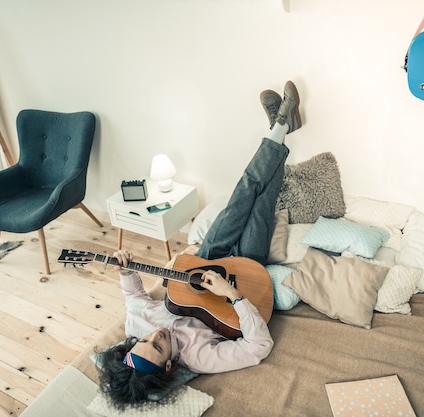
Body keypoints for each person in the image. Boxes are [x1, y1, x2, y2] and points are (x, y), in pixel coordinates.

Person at [98, 81, 302, 408]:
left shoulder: (137, 327)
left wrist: (125, 271)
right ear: (169, 366)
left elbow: (134, 295)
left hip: (204, 260)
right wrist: (231, 295)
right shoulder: (199, 358)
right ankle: (282, 128)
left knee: (243, 193)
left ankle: (280, 126)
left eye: (145, 340)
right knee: (263, 204)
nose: (156, 335)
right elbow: (257, 347)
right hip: (243, 276)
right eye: (159, 345)